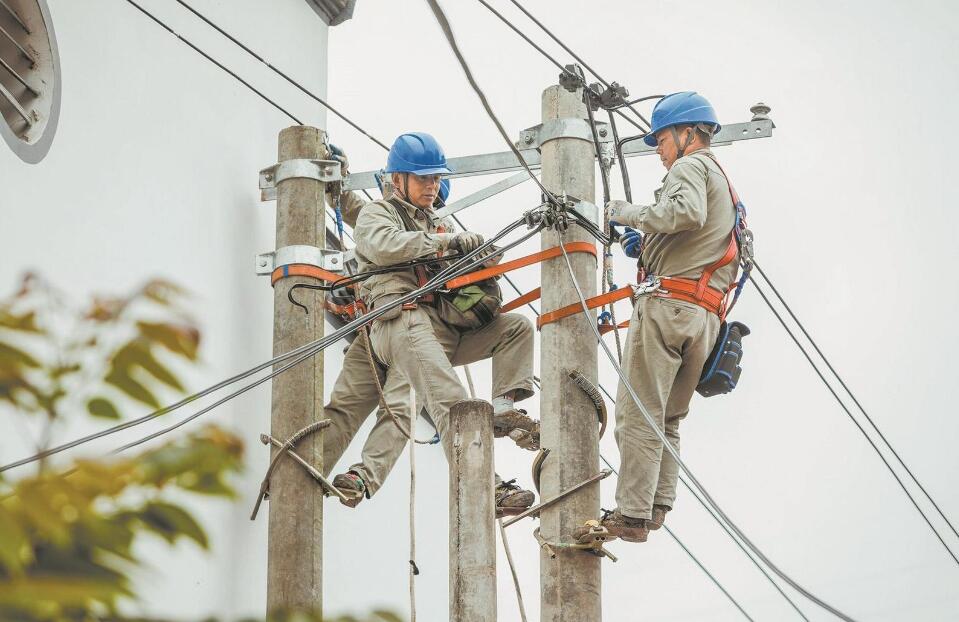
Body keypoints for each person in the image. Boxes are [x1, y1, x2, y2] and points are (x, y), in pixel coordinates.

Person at [321, 143, 537, 511]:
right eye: (424, 178)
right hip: (399, 320)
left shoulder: (434, 222)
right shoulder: (381, 213)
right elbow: (382, 242)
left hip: (435, 327)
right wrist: (446, 243)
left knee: (516, 327)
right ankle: (488, 488)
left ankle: (503, 409)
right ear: (398, 179)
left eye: (436, 178)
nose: (433, 186)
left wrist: (480, 256)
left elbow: (457, 261)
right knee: (446, 403)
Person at [598, 92, 739, 542]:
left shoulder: (691, 165)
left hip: (670, 308)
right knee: (668, 417)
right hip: (704, 316)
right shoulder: (723, 181)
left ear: (687, 134)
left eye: (661, 140)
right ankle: (656, 507)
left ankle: (632, 512)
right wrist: (647, 246)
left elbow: (683, 212)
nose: (659, 151)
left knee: (638, 411)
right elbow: (698, 233)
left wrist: (624, 212)